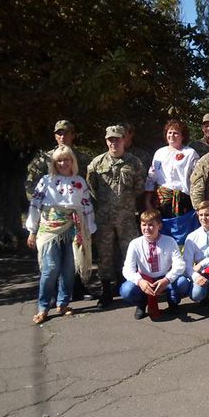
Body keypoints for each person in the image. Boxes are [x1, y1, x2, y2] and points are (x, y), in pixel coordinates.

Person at [26, 145, 97, 325]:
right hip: (49, 229)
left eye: (66, 159)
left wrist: (89, 229)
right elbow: (35, 205)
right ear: (54, 163)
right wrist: (32, 231)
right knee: (50, 269)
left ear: (72, 161)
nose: (63, 163)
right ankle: (43, 308)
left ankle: (63, 303)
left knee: (68, 268)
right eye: (59, 160)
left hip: (73, 229)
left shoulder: (79, 181)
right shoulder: (46, 181)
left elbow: (86, 206)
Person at [86, 125, 146, 309]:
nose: (114, 142)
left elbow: (139, 188)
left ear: (124, 140)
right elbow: (91, 189)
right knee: (105, 255)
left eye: (117, 139)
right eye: (110, 139)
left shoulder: (134, 163)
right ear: (106, 141)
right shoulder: (96, 164)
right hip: (104, 218)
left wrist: (124, 203)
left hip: (126, 217)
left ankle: (129, 288)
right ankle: (106, 291)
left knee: (130, 252)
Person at [119, 209, 185, 320]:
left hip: (164, 277)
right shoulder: (135, 244)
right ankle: (141, 303)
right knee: (126, 290)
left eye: (151, 225)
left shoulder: (169, 241)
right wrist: (139, 281)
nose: (146, 228)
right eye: (143, 225)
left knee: (183, 283)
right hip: (145, 279)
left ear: (159, 226)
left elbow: (180, 264)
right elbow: (127, 269)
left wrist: (167, 279)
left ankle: (173, 301)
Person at [144, 119, 198, 221]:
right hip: (161, 201)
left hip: (183, 202)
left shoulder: (190, 153)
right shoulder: (159, 153)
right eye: (170, 132)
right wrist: (147, 201)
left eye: (176, 133)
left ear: (183, 136)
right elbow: (151, 177)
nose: (172, 135)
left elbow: (197, 180)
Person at [25, 120, 91, 196]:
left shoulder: (83, 159)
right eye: (59, 134)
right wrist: (44, 198)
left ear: (73, 135)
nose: (62, 137)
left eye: (66, 133)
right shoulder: (46, 158)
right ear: (55, 136)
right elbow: (30, 182)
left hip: (76, 203)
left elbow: (91, 185)